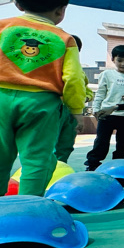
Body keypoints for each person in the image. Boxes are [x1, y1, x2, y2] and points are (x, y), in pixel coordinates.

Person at [0, 0, 84, 197]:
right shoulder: (65, 39)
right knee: (37, 158)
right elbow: (73, 78)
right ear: (61, 10)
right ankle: (28, 205)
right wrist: (76, 110)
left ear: (18, 4)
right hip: (42, 102)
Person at [86, 44, 124, 170]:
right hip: (107, 114)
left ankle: (120, 164)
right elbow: (100, 93)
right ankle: (93, 163)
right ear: (113, 59)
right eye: (119, 60)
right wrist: (96, 110)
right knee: (101, 141)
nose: (123, 64)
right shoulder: (106, 74)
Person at [55, 34, 91, 164]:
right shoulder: (52, 67)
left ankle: (58, 168)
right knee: (52, 144)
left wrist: (86, 97)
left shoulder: (78, 70)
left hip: (69, 111)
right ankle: (51, 169)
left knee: (65, 144)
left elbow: (84, 89)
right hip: (55, 108)